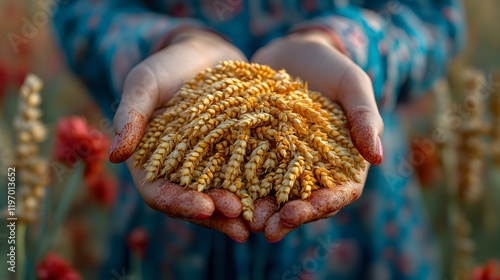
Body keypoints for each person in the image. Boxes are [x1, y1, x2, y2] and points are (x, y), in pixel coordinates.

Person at [53, 0, 464, 279]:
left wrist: (344, 44)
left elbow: (433, 16)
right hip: (170, 241)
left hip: (363, 228)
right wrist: (164, 41)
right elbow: (79, 10)